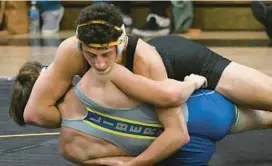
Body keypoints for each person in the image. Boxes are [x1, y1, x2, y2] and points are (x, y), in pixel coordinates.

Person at [23, 2, 272, 149]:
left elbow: (175, 128)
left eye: (106, 54)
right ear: (80, 45)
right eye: (90, 55)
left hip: (185, 62)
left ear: (120, 43)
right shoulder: (70, 50)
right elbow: (34, 113)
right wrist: (79, 116)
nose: (99, 65)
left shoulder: (145, 59)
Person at [10, 61, 272, 166]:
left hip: (187, 156)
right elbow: (165, 94)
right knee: (261, 118)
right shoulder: (98, 80)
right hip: (202, 112)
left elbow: (120, 163)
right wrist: (192, 82)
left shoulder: (71, 148)